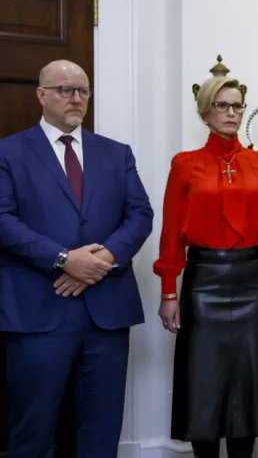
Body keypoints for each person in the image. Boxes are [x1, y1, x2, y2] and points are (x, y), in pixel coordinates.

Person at [0, 60, 153, 457]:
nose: (76, 98)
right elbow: (3, 220)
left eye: (82, 91)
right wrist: (64, 259)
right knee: (33, 430)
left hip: (107, 311)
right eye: (65, 90)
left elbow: (140, 215)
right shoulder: (9, 152)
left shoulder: (116, 154)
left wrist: (100, 260)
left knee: (101, 429)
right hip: (38, 310)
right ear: (42, 94)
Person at [154, 76, 258, 458]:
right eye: (222, 106)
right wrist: (169, 290)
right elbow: (170, 235)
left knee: (247, 387)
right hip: (204, 282)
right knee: (205, 384)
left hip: (253, 281)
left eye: (237, 106)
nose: (232, 113)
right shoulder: (185, 164)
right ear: (206, 113)